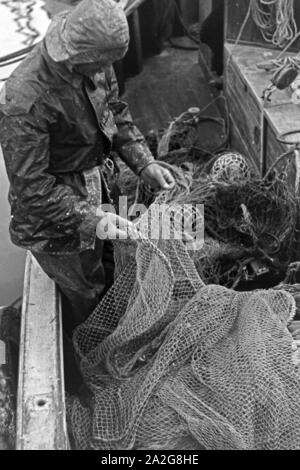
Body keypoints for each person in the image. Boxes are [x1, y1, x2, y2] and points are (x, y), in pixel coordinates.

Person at [0, 0, 175, 331]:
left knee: (111, 266)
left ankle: (116, 319)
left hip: (98, 181)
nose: (105, 70)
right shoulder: (24, 100)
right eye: (100, 64)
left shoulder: (96, 60)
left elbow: (115, 113)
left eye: (108, 63)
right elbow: (31, 190)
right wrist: (92, 219)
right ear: (76, 57)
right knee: (87, 295)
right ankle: (95, 350)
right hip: (54, 223)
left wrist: (143, 162)